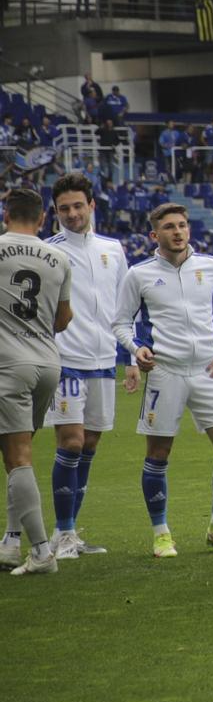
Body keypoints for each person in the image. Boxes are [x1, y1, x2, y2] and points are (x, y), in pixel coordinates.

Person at [109, 203, 213, 558]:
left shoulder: (211, 267)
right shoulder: (139, 275)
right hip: (165, 371)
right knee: (158, 452)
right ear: (155, 235)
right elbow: (120, 322)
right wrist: (135, 348)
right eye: (169, 227)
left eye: (182, 225)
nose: (178, 232)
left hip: (207, 370)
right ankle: (161, 533)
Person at [39, 174, 124, 558]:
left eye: (78, 206)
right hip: (66, 360)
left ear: (92, 205)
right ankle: (63, 532)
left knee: (89, 444)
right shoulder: (47, 252)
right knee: (70, 442)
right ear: (54, 213)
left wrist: (130, 354)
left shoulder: (114, 249)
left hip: (105, 359)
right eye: (64, 209)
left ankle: (68, 532)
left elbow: (123, 309)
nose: (72, 214)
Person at [0, 188, 72, 577]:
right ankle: (11, 543)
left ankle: (42, 552)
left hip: (8, 364)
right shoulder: (60, 257)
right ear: (43, 218)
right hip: (47, 363)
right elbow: (64, 319)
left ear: (5, 214)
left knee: (17, 459)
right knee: (17, 454)